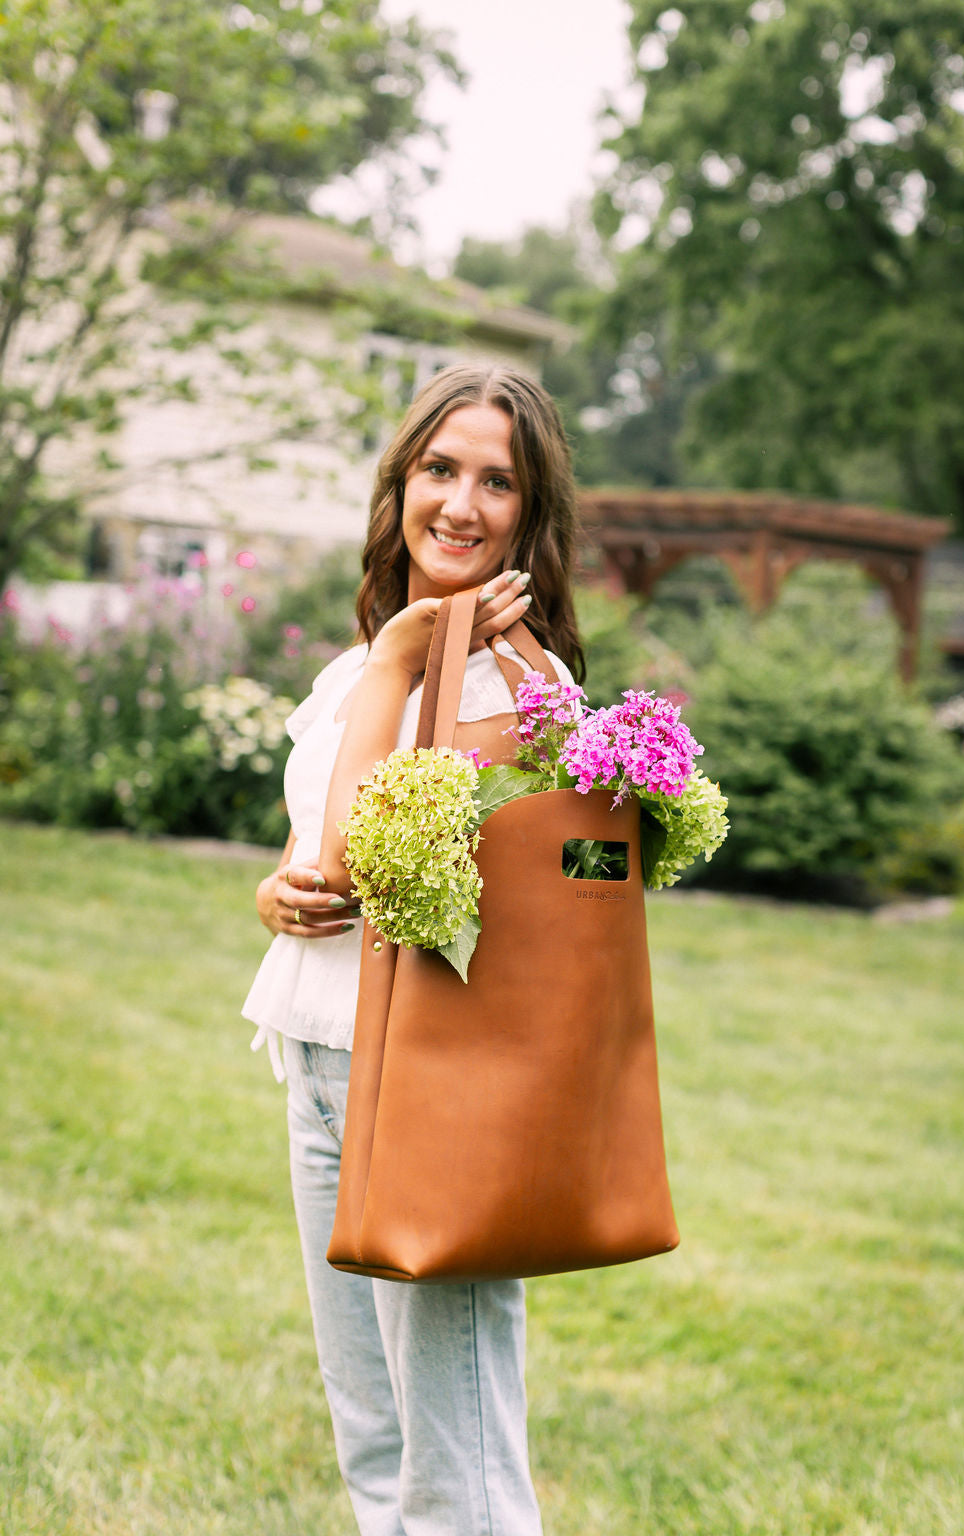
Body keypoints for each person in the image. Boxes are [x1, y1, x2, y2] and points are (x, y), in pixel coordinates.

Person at [242, 363, 585, 1536]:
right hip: (323, 1059)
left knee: (458, 1460)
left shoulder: (527, 697)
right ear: (398, 487)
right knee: (376, 1441)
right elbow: (316, 854)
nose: (462, 504)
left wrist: (406, 663)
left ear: (529, 517)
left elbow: (382, 867)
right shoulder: (355, 665)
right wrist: (276, 896)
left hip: (438, 1085)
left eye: (498, 482)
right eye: (440, 469)